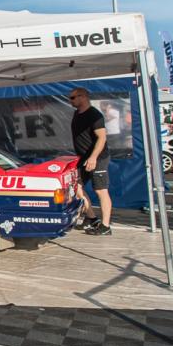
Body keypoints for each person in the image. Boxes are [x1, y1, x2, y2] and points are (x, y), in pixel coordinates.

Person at [70, 87, 112, 236]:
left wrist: (93, 157)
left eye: (73, 97)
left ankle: (105, 226)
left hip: (98, 158)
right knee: (77, 187)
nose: (70, 101)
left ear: (83, 97)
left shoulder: (94, 115)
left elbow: (102, 137)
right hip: (83, 158)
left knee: (101, 190)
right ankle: (91, 218)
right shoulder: (77, 113)